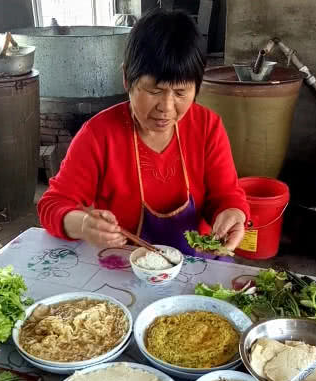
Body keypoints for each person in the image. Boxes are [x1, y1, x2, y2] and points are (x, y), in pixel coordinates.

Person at [38, 9, 250, 257]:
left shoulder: (207, 126)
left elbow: (227, 195)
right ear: (127, 78)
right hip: (125, 264)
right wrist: (83, 225)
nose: (167, 108)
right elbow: (52, 204)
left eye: (181, 93)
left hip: (197, 263)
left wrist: (234, 213)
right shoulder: (99, 135)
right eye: (154, 91)